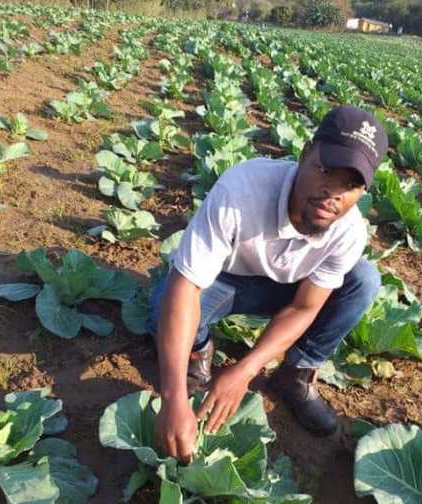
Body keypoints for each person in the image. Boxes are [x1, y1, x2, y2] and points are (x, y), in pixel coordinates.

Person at [146, 106, 388, 463]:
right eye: (324, 171)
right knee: (163, 307)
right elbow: (187, 287)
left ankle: (295, 374)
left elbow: (305, 307)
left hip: (288, 290)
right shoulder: (242, 188)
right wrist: (173, 397)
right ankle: (197, 355)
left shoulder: (348, 230)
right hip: (225, 280)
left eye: (350, 185)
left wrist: (245, 370)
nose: (332, 193)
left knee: (364, 280)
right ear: (305, 154)